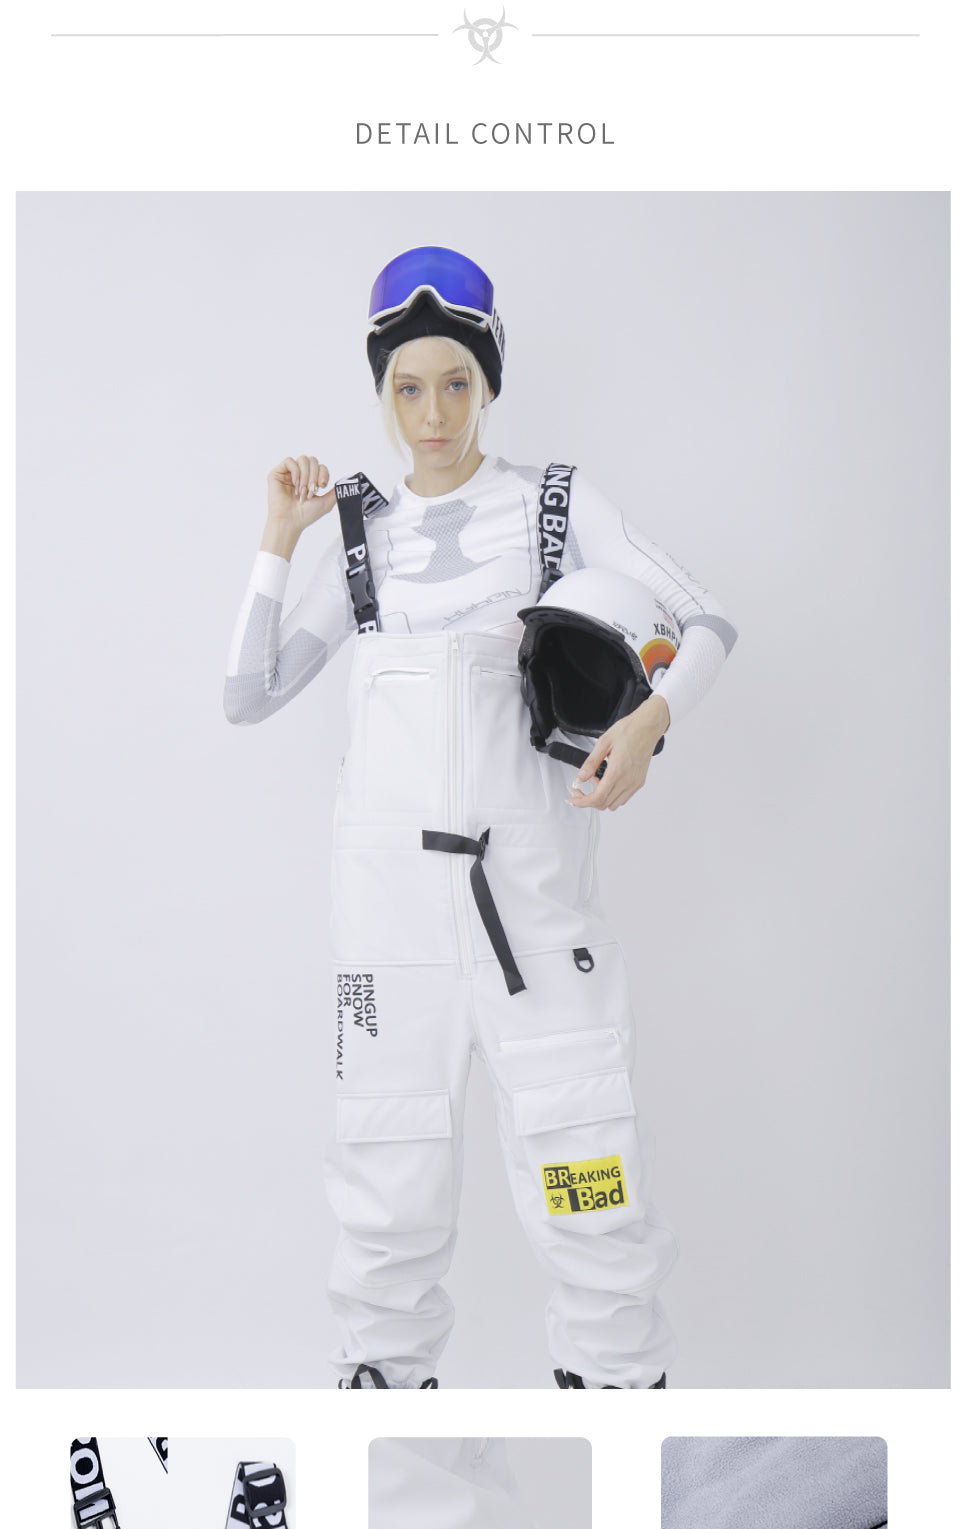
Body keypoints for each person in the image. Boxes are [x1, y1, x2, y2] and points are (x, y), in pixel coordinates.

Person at [224, 245, 737, 1389]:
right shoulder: (357, 535)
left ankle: (619, 1404)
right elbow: (245, 695)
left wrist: (649, 720)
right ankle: (381, 1430)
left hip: (535, 924)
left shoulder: (553, 504)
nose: (433, 414)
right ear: (382, 393)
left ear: (488, 380)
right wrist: (279, 538)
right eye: (407, 388)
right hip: (389, 935)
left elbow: (704, 620)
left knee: (592, 1189)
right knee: (383, 1204)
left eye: (456, 382)